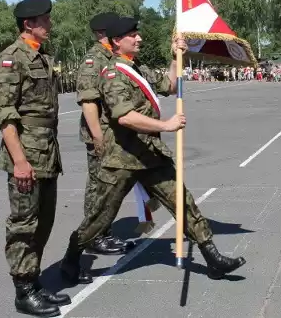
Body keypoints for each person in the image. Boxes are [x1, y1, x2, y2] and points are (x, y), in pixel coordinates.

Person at [59, 15, 246, 284]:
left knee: (183, 202)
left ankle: (212, 256)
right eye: (132, 35)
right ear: (116, 41)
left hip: (150, 154)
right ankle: (72, 258)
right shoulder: (112, 74)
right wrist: (166, 125)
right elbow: (125, 117)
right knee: (100, 217)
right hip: (122, 158)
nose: (139, 38)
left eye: (138, 33)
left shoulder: (138, 69)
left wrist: (175, 58)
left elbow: (168, 86)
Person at [0, 0, 69, 317]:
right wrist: (20, 161)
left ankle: (33, 282)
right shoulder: (11, 59)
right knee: (24, 222)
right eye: (44, 20)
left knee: (44, 220)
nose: (49, 25)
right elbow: (5, 116)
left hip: (47, 151)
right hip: (26, 153)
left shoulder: (41, 56)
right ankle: (23, 291)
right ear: (28, 24)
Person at [75, 12, 136, 255]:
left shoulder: (111, 56)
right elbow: (88, 101)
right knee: (98, 187)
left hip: (114, 133)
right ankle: (93, 237)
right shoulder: (94, 60)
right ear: (103, 33)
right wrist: (97, 136)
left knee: (109, 186)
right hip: (99, 134)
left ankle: (102, 231)